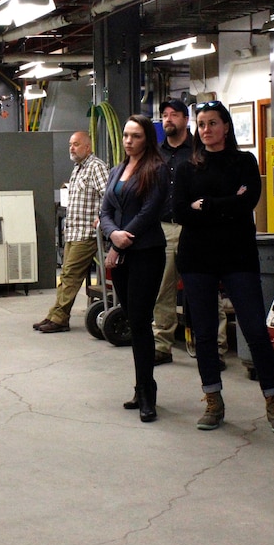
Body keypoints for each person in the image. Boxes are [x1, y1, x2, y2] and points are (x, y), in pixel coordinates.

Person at [173, 101, 274, 434]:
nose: (206, 129)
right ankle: (213, 400)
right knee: (205, 333)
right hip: (197, 259)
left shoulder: (244, 162)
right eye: (201, 124)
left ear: (226, 126)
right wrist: (226, 205)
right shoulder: (187, 168)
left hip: (238, 256)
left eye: (213, 123)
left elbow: (248, 201)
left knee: (255, 329)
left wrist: (206, 206)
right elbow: (180, 211)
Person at [101, 115, 167, 423]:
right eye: (126, 135)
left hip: (146, 253)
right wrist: (112, 233)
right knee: (132, 319)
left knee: (140, 322)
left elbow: (148, 212)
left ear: (147, 139)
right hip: (123, 254)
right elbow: (104, 211)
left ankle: (147, 395)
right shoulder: (116, 171)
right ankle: (140, 387)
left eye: (136, 136)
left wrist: (118, 243)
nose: (129, 141)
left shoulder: (156, 169)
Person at [34, 131, 109, 333]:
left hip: (87, 234)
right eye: (70, 144)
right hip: (73, 232)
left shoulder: (96, 167)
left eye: (76, 144)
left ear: (87, 147)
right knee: (66, 275)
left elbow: (109, 195)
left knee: (70, 275)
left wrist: (102, 218)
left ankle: (59, 318)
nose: (72, 148)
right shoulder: (78, 169)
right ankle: (55, 314)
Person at [150, 98, 193, 365]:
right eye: (164, 115)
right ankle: (162, 345)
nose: (168, 119)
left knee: (204, 288)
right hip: (164, 228)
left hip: (194, 229)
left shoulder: (199, 151)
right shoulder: (157, 154)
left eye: (174, 114)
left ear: (186, 120)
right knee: (162, 290)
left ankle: (215, 346)